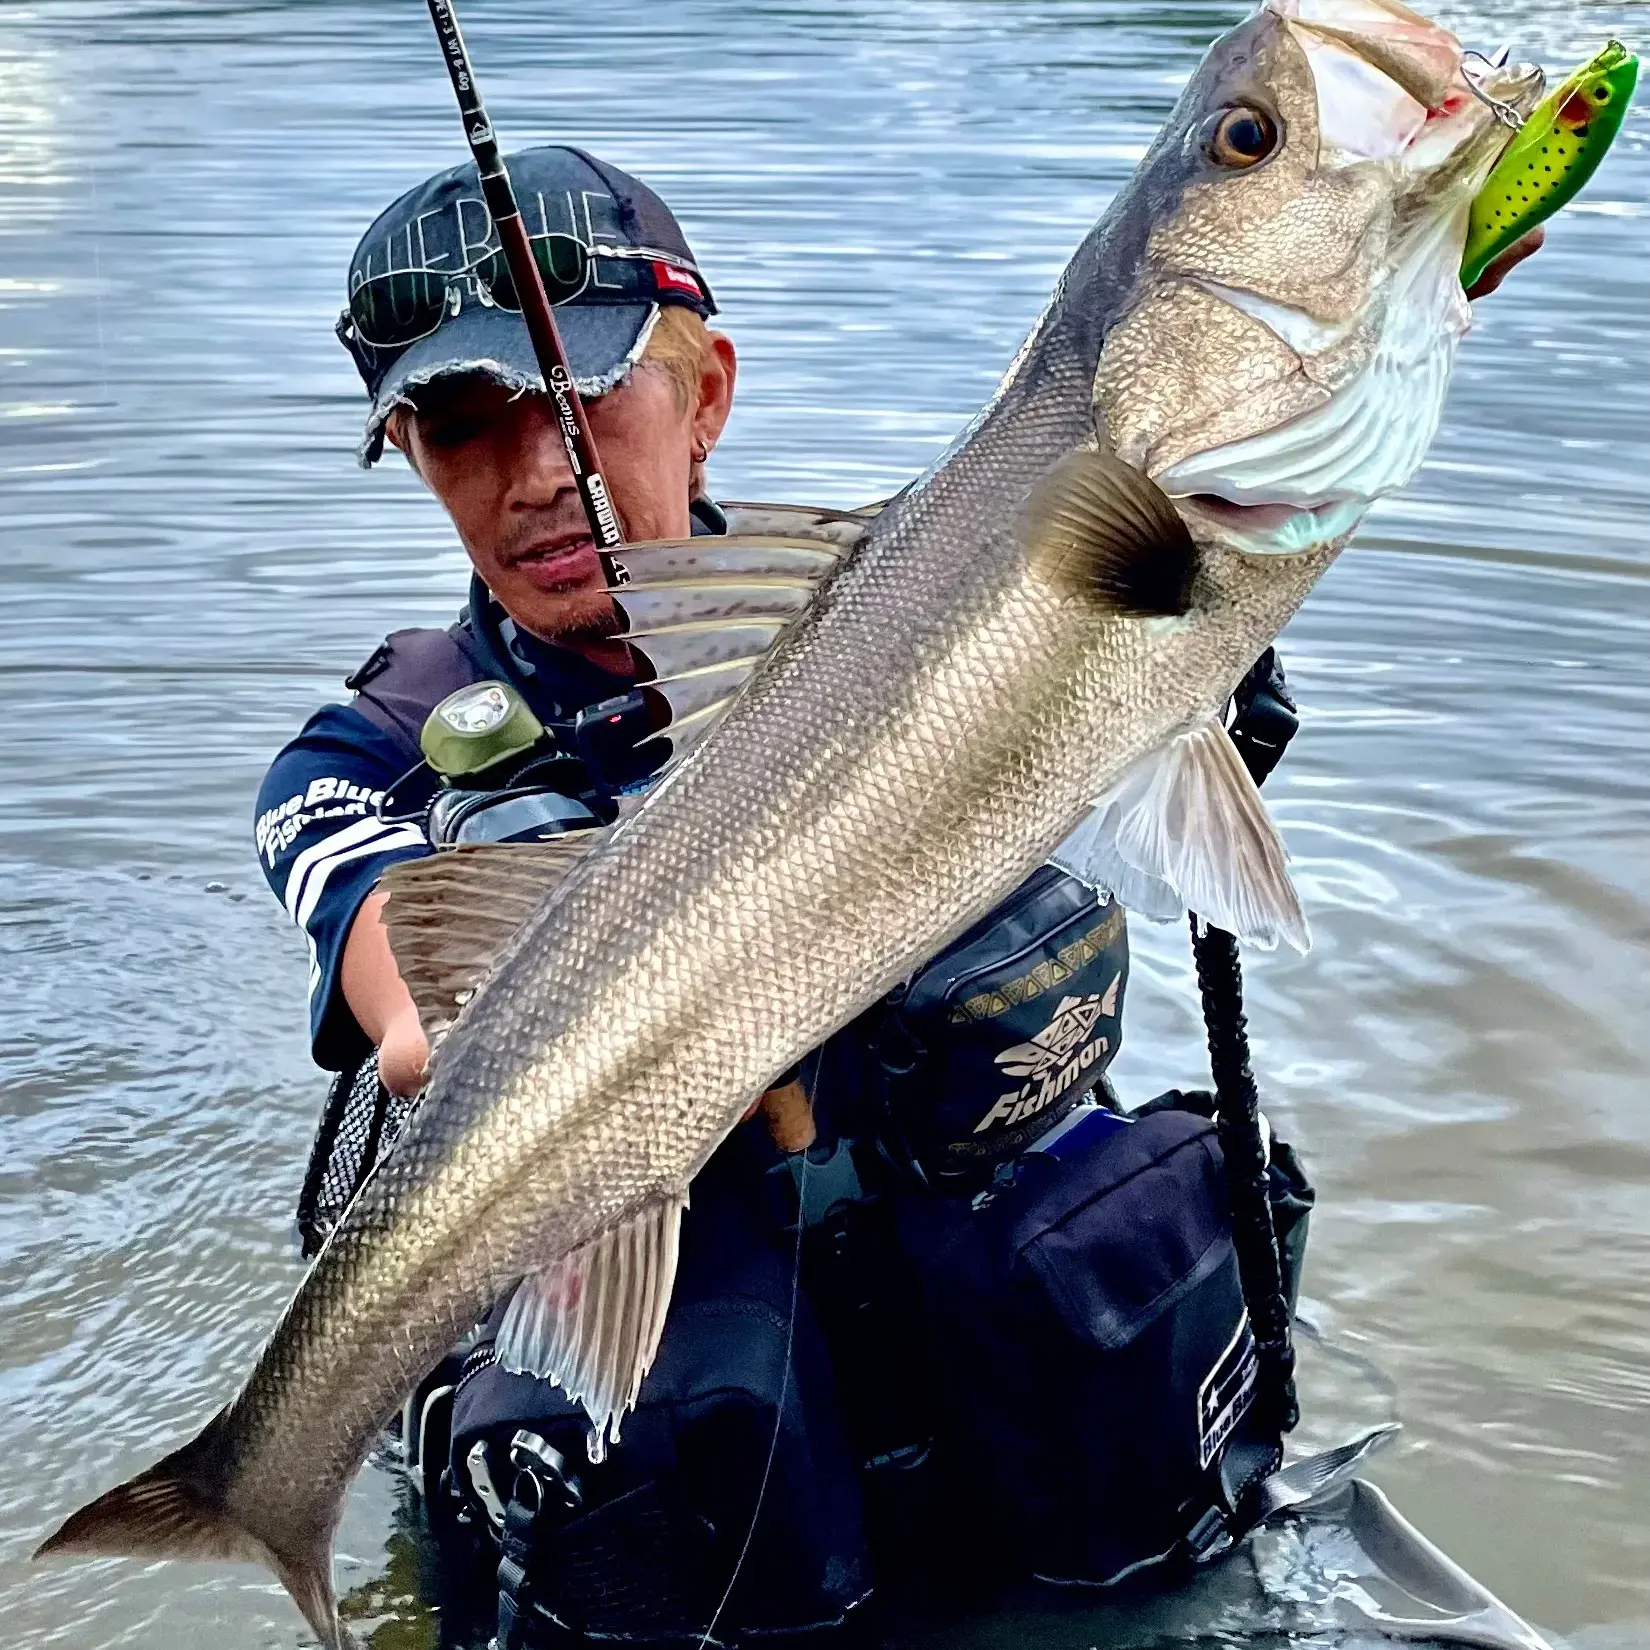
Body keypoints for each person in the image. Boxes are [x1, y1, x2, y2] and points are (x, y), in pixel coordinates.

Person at [257, 145, 1543, 1646]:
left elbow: (1203, 613)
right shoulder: (365, 753)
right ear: (414, 456)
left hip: (1038, 1416)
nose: (537, 471)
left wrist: (1372, 315)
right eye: (465, 426)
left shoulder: (952, 595)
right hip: (719, 1490)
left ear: (709, 391)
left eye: (585, 394)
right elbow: (416, 1022)